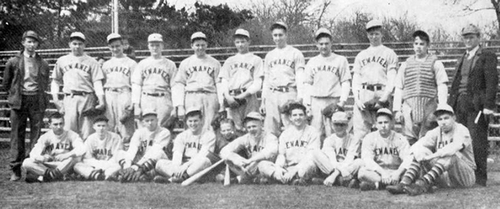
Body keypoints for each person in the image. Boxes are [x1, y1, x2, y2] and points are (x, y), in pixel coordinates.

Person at [386, 104, 476, 196]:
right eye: (440, 119)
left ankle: (421, 184)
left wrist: (431, 156)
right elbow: (416, 147)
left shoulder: (461, 129)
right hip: (444, 175)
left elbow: (453, 148)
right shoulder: (436, 131)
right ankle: (404, 183)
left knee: (451, 155)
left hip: (465, 176)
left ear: (454, 118)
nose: (443, 122)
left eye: (446, 118)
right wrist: (401, 170)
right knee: (420, 151)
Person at [448, 24, 498, 186]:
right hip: (459, 103)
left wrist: (489, 105)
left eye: (471, 37)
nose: (468, 40)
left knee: (477, 141)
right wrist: (450, 106)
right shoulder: (462, 57)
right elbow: (455, 84)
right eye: (465, 37)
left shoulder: (487, 56)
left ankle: (480, 178)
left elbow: (492, 82)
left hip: (477, 105)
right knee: (459, 141)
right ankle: (463, 178)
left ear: (478, 37)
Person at [2, 31, 50, 181]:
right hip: (19, 101)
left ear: (37, 44)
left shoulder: (43, 63)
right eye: (29, 41)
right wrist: (15, 94)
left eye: (34, 42)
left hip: (36, 100)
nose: (32, 44)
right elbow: (6, 84)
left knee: (36, 136)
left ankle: (32, 168)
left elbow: (44, 83)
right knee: (17, 135)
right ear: (23, 43)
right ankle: (15, 170)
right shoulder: (13, 62)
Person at [393, 30, 449, 145]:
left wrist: (442, 107)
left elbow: (442, 85)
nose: (418, 47)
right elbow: (399, 88)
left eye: (422, 44)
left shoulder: (436, 63)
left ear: (428, 45)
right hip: (409, 106)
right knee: (409, 139)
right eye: (416, 44)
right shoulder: (406, 64)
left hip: (428, 105)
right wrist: (397, 110)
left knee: (428, 139)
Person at [51, 32, 105, 140]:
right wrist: (56, 100)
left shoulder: (92, 61)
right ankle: (70, 155)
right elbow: (55, 81)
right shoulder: (62, 60)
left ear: (84, 45)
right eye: (74, 43)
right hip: (70, 97)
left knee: (87, 130)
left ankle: (86, 155)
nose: (77, 46)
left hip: (87, 98)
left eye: (80, 44)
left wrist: (101, 100)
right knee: (69, 130)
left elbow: (97, 82)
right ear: (69, 44)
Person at [352, 20, 399, 144]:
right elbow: (356, 79)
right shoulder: (361, 55)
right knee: (361, 131)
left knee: (385, 129)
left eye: (377, 33)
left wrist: (384, 97)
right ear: (367, 35)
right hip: (365, 92)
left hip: (382, 91)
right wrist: (357, 99)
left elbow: (392, 77)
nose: (374, 36)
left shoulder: (389, 53)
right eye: (371, 34)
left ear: (381, 34)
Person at [261, 22, 306, 137]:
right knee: (270, 129)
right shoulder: (269, 55)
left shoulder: (295, 53)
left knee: (291, 126)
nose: (277, 38)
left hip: (289, 92)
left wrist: (300, 97)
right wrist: (263, 101)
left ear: (286, 35)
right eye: (275, 35)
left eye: (280, 35)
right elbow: (266, 79)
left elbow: (300, 76)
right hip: (272, 93)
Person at [303, 28, 351, 137]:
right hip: (316, 100)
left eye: (326, 43)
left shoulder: (340, 60)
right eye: (321, 44)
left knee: (333, 132)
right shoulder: (312, 61)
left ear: (331, 43)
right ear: (317, 45)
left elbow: (345, 82)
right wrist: (307, 104)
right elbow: (307, 84)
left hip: (333, 100)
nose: (324, 46)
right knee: (315, 133)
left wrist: (342, 102)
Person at [258, 102, 320, 185]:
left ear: (305, 116)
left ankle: (284, 179)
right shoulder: (285, 133)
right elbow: (281, 155)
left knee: (310, 165)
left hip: (303, 166)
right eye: (294, 115)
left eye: (301, 115)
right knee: (262, 164)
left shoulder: (312, 131)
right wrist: (278, 168)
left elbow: (311, 155)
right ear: (290, 118)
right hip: (288, 167)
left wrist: (296, 169)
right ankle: (286, 178)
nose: (298, 118)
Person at [173, 32, 221, 132]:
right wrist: (180, 106)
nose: (200, 48)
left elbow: (218, 83)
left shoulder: (214, 62)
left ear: (207, 45)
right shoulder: (185, 63)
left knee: (210, 126)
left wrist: (221, 102)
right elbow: (179, 84)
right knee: (192, 126)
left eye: (203, 45)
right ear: (192, 46)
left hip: (209, 96)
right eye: (197, 45)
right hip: (192, 96)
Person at [219, 29, 263, 132]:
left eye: (243, 41)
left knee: (251, 124)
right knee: (234, 128)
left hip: (248, 96)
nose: (240, 45)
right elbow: (224, 80)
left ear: (249, 42)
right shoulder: (229, 61)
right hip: (232, 97)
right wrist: (228, 96)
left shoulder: (256, 59)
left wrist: (243, 96)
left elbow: (257, 83)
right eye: (237, 42)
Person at [155, 108, 216, 183]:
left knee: (204, 161)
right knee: (160, 163)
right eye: (190, 121)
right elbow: (177, 154)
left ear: (201, 121)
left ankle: (173, 179)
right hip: (183, 164)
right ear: (186, 122)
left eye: (195, 121)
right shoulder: (182, 136)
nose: (193, 124)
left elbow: (202, 155)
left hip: (196, 164)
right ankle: (181, 177)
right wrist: (178, 168)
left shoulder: (209, 135)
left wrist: (186, 166)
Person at [21, 112, 85, 182]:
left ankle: (45, 177)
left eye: (61, 124)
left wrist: (66, 155)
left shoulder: (71, 134)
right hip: (49, 165)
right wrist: (43, 158)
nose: (59, 127)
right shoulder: (46, 137)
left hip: (65, 164)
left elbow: (81, 148)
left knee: (75, 158)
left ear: (64, 123)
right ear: (49, 125)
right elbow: (34, 152)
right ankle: (54, 175)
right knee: (26, 162)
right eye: (55, 124)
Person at [357, 108, 411, 191]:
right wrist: (383, 173)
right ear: (376, 124)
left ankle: (377, 185)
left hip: (396, 171)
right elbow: (367, 159)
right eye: (380, 123)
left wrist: (398, 173)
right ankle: (395, 184)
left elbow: (407, 159)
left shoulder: (400, 138)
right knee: (362, 172)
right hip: (378, 172)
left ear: (392, 123)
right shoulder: (369, 138)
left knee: (412, 172)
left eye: (386, 122)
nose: (383, 125)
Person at [131, 33, 177, 128]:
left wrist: (175, 106)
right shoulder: (142, 64)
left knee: (163, 129)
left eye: (157, 45)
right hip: (146, 98)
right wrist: (136, 106)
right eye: (152, 45)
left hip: (163, 99)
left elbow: (175, 87)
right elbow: (137, 85)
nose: (155, 48)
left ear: (162, 46)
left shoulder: (170, 64)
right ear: (148, 46)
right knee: (145, 128)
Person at [220, 112, 278, 184]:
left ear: (261, 125)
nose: (251, 129)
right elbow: (224, 151)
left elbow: (270, 151)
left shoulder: (270, 137)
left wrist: (251, 160)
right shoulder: (246, 138)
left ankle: (243, 179)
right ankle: (254, 179)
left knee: (262, 164)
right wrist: (238, 161)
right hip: (250, 168)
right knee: (229, 160)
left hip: (267, 166)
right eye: (249, 127)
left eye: (254, 126)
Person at [310, 111, 363, 187]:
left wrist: (334, 175)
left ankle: (332, 179)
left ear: (347, 125)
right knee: (315, 152)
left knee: (359, 162)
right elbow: (332, 160)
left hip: (347, 167)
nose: (339, 127)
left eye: (342, 125)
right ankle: (341, 180)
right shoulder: (329, 140)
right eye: (336, 124)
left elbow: (349, 159)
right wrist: (340, 170)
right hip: (333, 167)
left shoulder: (354, 139)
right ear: (332, 125)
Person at [102, 33, 137, 143]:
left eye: (118, 46)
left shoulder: (131, 63)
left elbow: (135, 84)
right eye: (112, 47)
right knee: (109, 124)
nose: (115, 49)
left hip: (124, 93)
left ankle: (126, 151)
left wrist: (133, 102)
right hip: (109, 94)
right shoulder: (106, 64)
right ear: (109, 48)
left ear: (123, 46)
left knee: (125, 125)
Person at [117, 111, 171, 182]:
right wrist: (128, 166)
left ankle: (135, 174)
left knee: (158, 153)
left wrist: (137, 166)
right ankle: (127, 173)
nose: (150, 123)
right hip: (139, 161)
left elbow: (154, 151)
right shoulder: (139, 132)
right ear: (143, 122)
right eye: (147, 120)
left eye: (152, 120)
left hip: (155, 161)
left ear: (157, 120)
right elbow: (132, 148)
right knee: (120, 153)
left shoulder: (164, 132)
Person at [73, 116, 123, 181]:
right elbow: (87, 158)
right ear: (94, 126)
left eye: (103, 126)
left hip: (110, 165)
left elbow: (117, 156)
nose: (101, 128)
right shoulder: (90, 138)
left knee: (118, 166)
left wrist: (104, 165)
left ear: (107, 126)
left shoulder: (115, 138)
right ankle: (103, 176)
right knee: (77, 166)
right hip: (94, 166)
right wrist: (98, 165)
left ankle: (95, 175)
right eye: (98, 126)